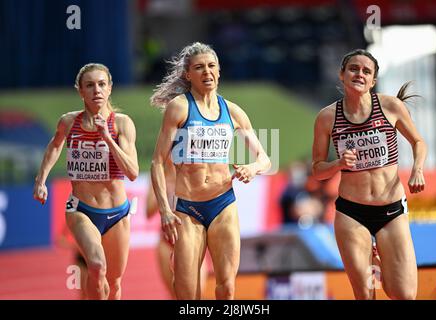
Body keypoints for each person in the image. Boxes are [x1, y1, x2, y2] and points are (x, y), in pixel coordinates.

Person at [150, 42, 271, 300]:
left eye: (211, 66)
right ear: (187, 74)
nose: (207, 72)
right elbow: (158, 162)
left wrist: (253, 167)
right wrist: (164, 210)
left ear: (219, 70)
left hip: (223, 204)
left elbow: (264, 158)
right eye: (199, 67)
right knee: (187, 293)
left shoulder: (232, 111)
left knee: (226, 288)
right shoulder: (180, 108)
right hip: (188, 210)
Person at [312, 49, 426, 300]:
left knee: (404, 294)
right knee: (364, 294)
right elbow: (317, 170)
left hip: (391, 210)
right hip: (351, 212)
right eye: (353, 68)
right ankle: (371, 255)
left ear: (373, 80)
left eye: (366, 71)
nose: (359, 74)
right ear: (342, 75)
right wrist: (338, 164)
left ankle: (380, 260)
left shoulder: (390, 106)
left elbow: (418, 142)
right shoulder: (327, 117)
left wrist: (417, 170)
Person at [33, 63, 139, 300]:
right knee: (96, 265)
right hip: (81, 209)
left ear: (110, 88)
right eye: (89, 85)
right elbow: (55, 145)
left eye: (102, 84)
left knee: (114, 282)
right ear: (80, 91)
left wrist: (108, 139)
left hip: (118, 213)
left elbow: (132, 172)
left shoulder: (122, 124)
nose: (97, 90)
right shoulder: (69, 122)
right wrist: (41, 180)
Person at [145, 159, 208, 298]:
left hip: (193, 241)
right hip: (167, 242)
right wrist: (162, 189)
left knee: (197, 293)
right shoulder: (159, 175)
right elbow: (148, 212)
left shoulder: (194, 172)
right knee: (175, 295)